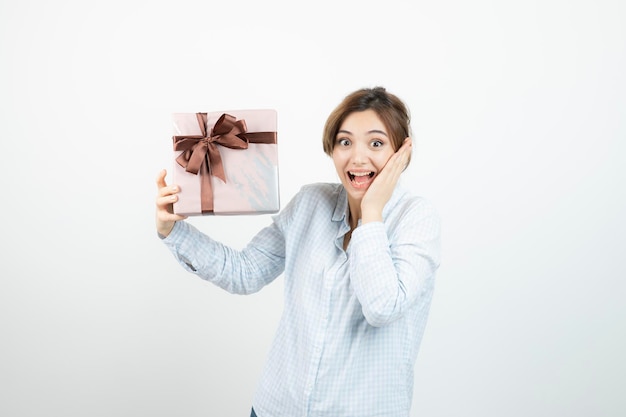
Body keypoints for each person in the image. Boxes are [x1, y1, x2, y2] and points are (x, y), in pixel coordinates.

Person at [155, 86, 441, 417]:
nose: (358, 158)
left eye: (376, 143)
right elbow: (246, 272)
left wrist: (372, 213)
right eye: (344, 142)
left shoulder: (417, 219)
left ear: (401, 153)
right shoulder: (309, 203)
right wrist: (172, 230)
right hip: (275, 407)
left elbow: (382, 307)